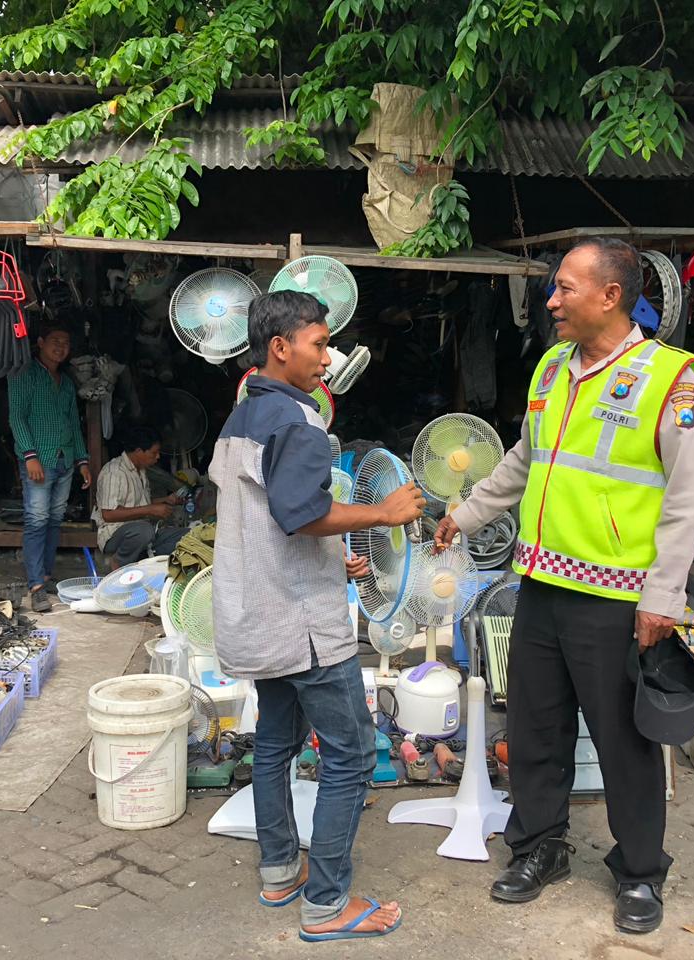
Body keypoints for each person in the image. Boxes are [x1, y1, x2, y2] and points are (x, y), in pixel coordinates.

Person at [435, 238, 694, 934]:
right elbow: (528, 457)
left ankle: (641, 871)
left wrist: (663, 597)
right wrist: (465, 515)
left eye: (564, 289)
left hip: (618, 599)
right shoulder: (554, 367)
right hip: (542, 584)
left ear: (610, 296)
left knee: (624, 742)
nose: (550, 301)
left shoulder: (671, 381)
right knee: (534, 728)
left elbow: (686, 497)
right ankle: (538, 848)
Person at [210, 290, 424, 943]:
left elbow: (273, 519)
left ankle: (281, 871)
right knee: (353, 753)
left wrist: (336, 555)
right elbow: (301, 514)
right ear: (281, 347)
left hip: (255, 613)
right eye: (318, 342)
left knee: (274, 743)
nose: (327, 357)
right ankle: (328, 904)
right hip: (302, 626)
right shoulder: (298, 425)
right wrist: (384, 515)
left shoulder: (242, 419)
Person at [8, 321, 91, 612]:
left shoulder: (66, 383)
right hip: (39, 460)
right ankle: (36, 586)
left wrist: (82, 462)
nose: (61, 347)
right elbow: (17, 418)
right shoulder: (22, 375)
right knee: (36, 519)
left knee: (54, 519)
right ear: (40, 342)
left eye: (65, 343)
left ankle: (46, 574)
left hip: (64, 459)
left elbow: (74, 426)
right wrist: (30, 456)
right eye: (55, 340)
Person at [92, 425, 188, 568]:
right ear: (138, 451)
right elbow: (108, 514)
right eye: (154, 453)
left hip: (144, 532)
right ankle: (118, 562)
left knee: (186, 535)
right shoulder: (114, 472)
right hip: (115, 534)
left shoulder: (141, 470)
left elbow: (137, 504)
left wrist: (165, 500)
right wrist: (150, 510)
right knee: (144, 531)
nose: (158, 457)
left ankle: (146, 558)